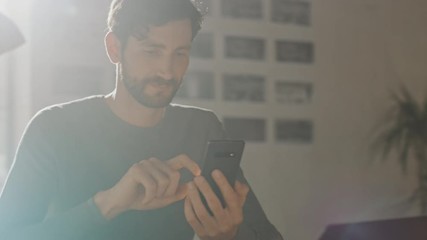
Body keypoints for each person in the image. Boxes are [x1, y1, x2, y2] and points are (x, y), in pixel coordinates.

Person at [0, 0, 284, 239]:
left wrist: (227, 236)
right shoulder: (53, 128)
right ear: (114, 48)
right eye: (152, 51)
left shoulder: (202, 129)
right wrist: (107, 204)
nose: (167, 71)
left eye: (180, 53)